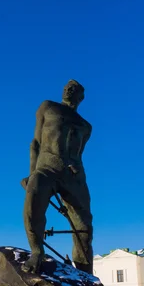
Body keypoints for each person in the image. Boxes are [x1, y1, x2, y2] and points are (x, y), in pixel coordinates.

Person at [22, 80, 93, 274]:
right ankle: (37, 252)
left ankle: (86, 274)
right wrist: (32, 173)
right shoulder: (48, 107)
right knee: (33, 202)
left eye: (74, 89)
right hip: (47, 168)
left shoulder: (86, 126)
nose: (68, 90)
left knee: (84, 227)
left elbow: (78, 152)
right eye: (66, 87)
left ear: (81, 97)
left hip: (74, 175)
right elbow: (36, 143)